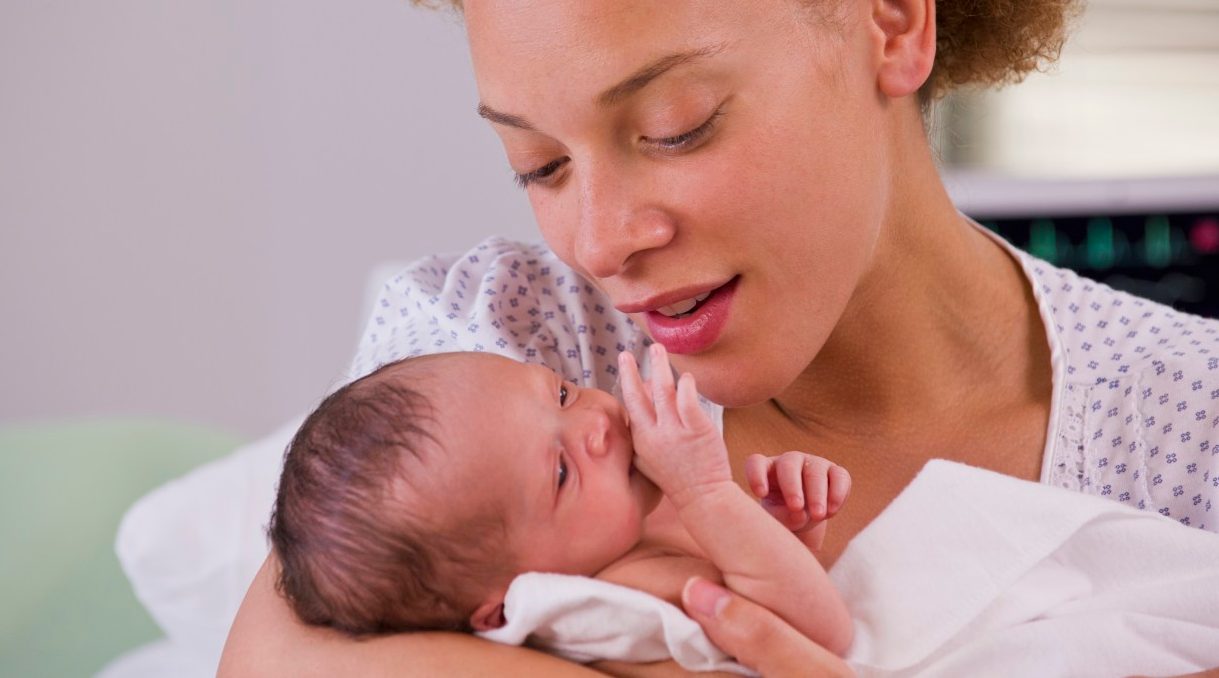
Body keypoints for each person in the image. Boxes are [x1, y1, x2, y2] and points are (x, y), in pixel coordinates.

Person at [220, 0, 1219, 675]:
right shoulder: (493, 343)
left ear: (889, 20)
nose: (602, 242)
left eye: (675, 125)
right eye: (540, 166)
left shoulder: (1188, 429)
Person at [269, 345, 853, 658]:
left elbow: (785, 584)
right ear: (504, 607)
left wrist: (782, 527)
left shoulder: (630, 532)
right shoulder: (614, 600)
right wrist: (708, 495)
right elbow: (821, 635)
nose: (597, 423)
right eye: (560, 470)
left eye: (562, 392)